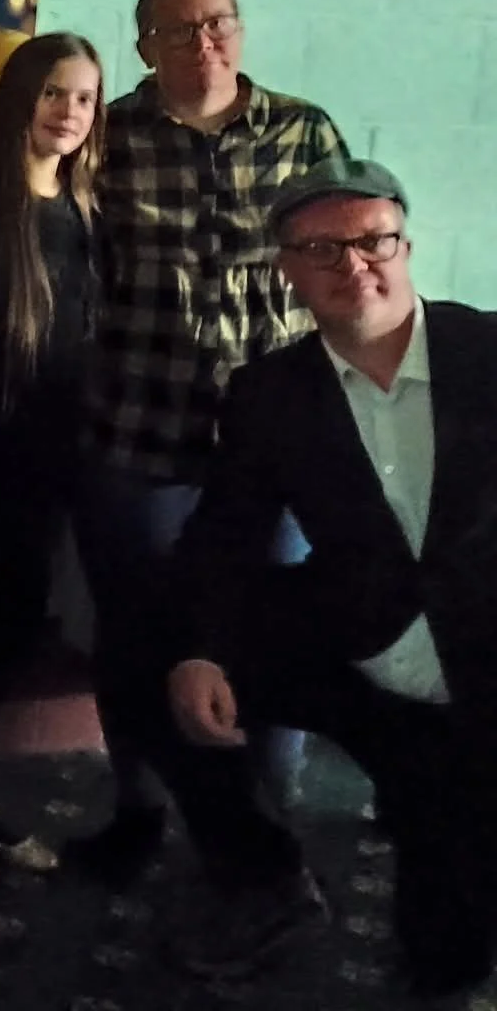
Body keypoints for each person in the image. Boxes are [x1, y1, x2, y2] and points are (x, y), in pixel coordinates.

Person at [164, 161, 497, 999]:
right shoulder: (270, 391)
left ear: (406, 246)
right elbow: (226, 534)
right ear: (287, 269)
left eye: (373, 241)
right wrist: (200, 653)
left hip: (483, 671)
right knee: (150, 654)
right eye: (321, 249)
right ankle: (263, 878)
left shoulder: (489, 354)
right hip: (362, 647)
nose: (354, 265)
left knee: (447, 951)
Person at [70, 0, 345, 884]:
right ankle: (139, 812)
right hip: (140, 440)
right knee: (138, 637)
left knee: (278, 639)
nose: (205, 43)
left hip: (278, 455)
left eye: (219, 22)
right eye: (180, 31)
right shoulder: (108, 140)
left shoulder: (304, 133)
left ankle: (268, 837)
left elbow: (348, 269)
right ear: (145, 46)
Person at [0, 32, 104, 879]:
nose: (68, 112)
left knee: (6, 637)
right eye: (52, 94)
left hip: (49, 458)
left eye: (82, 98)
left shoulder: (82, 205)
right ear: (18, 100)